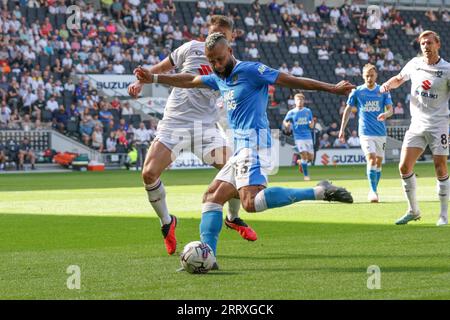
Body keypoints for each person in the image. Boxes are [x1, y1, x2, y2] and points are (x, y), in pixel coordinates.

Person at [134, 32, 354, 265]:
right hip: (241, 150)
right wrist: (154, 79)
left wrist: (331, 88)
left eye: (219, 59)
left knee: (250, 203)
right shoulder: (219, 77)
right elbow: (189, 80)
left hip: (256, 144)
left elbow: (290, 80)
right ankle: (209, 257)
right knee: (211, 197)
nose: (216, 65)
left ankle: (319, 191)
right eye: (212, 61)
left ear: (229, 51)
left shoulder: (251, 70)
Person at [127, 15, 258, 256]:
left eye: (221, 35)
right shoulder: (191, 48)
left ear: (231, 39)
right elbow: (164, 66)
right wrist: (142, 81)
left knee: (236, 170)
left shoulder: (233, 66)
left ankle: (233, 217)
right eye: (212, 34)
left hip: (206, 128)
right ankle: (167, 223)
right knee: (148, 173)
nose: (214, 38)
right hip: (174, 122)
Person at [380, 30, 450, 226]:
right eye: (422, 44)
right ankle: (413, 210)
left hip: (439, 125)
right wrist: (387, 85)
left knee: (440, 167)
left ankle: (443, 215)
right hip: (417, 124)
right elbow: (399, 78)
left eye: (429, 43)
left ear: (438, 45)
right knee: (404, 167)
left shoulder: (447, 69)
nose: (425, 47)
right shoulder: (414, 63)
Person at [339, 64, 393, 203]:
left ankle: (374, 188)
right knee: (372, 159)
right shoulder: (357, 91)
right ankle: (373, 191)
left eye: (372, 75)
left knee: (379, 163)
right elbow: (348, 110)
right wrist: (342, 129)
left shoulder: (383, 91)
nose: (369, 78)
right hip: (365, 132)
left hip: (380, 132)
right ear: (363, 76)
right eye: (367, 75)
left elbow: (390, 110)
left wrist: (385, 114)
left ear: (376, 76)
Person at [282, 93, 314, 181]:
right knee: (304, 155)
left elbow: (311, 121)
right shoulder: (291, 112)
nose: (299, 101)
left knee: (310, 158)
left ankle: (300, 162)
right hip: (298, 137)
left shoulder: (308, 111)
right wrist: (287, 124)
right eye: (298, 100)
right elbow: (285, 121)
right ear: (295, 101)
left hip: (308, 136)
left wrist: (312, 124)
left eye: (301, 100)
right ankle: (306, 176)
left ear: (303, 101)